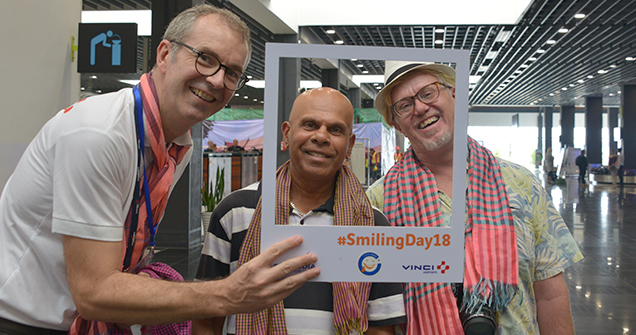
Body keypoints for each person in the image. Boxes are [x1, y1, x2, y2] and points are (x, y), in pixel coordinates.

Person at [0, 5, 319, 335]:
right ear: (165, 54)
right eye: (205, 58)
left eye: (233, 72)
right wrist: (230, 294)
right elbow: (94, 293)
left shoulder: (177, 144)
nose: (217, 80)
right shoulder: (100, 135)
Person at [368, 60, 582, 334]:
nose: (420, 108)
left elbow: (550, 294)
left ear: (455, 95)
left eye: (428, 92)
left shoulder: (521, 184)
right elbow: (375, 311)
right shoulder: (377, 202)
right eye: (405, 105)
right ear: (396, 124)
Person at [194, 88, 406, 335]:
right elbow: (206, 317)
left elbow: (381, 327)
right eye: (309, 125)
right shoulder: (235, 211)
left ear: (349, 146)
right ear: (286, 133)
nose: (321, 136)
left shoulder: (372, 224)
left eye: (335, 130)